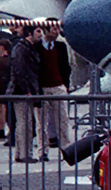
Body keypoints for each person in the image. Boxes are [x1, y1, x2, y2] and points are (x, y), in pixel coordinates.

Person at [6, 25, 45, 163]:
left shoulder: (26, 47)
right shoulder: (22, 48)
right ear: (30, 33)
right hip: (22, 91)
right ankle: (24, 153)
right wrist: (26, 90)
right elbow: (19, 70)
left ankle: (20, 153)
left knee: (23, 122)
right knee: (25, 122)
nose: (41, 34)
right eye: (38, 31)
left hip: (23, 90)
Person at [38, 22, 71, 152]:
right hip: (43, 87)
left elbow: (66, 67)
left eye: (58, 29)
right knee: (42, 123)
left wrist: (65, 85)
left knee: (63, 119)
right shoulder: (37, 47)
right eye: (54, 29)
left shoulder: (61, 46)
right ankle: (42, 149)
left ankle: (65, 147)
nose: (57, 32)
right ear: (46, 30)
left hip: (58, 86)